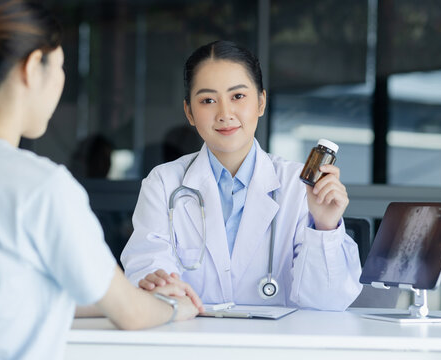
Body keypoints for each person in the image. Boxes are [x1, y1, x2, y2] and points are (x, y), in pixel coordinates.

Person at [0, 1, 201, 359]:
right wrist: (175, 308)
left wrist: (135, 294)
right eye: (61, 66)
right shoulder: (41, 186)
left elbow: (16, 294)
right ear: (32, 67)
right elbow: (131, 315)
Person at [121, 40, 363, 310]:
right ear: (189, 111)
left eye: (238, 96)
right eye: (208, 100)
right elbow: (148, 272)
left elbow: (328, 304)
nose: (225, 114)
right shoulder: (164, 184)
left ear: (261, 102)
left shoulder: (298, 186)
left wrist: (325, 226)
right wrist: (158, 285)